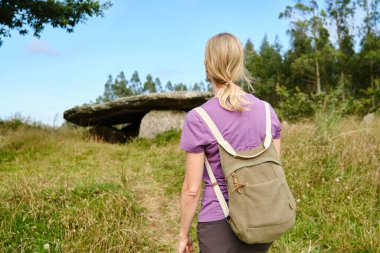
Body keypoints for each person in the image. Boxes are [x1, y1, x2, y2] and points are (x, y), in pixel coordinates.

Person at [177, 33, 282, 253]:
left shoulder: (199, 118)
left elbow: (191, 190)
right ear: (239, 63)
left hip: (218, 225)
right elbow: (273, 170)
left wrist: (182, 235)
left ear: (207, 64)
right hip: (261, 219)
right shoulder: (266, 111)